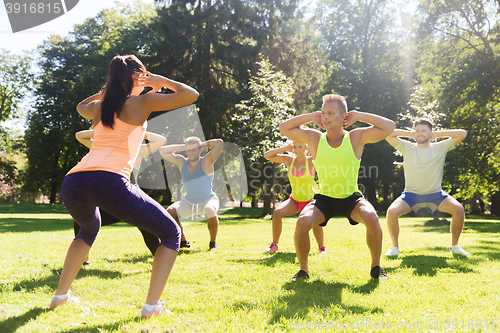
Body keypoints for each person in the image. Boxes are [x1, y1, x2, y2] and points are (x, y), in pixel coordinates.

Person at [50, 54, 199, 318]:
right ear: (136, 76)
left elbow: (79, 106)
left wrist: (106, 91)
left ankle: (60, 297)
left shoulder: (99, 106)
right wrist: (161, 81)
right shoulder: (143, 101)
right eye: (144, 73)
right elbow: (190, 94)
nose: (148, 77)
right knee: (171, 232)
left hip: (74, 181)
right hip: (108, 179)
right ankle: (152, 308)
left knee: (88, 229)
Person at [279, 94, 395, 281]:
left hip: (351, 198)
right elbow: (284, 127)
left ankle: (376, 267)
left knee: (372, 217)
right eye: (323, 113)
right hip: (324, 199)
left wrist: (358, 115)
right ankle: (303, 270)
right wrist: (311, 116)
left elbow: (389, 126)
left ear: (343, 117)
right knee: (301, 222)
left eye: (330, 113)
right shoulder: (314, 138)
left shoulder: (355, 138)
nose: (325, 117)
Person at [73, 129, 167, 264]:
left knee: (148, 230)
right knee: (80, 222)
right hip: (111, 202)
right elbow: (79, 135)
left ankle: (161, 261)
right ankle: (85, 259)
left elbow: (161, 140)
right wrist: (105, 130)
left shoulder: (137, 150)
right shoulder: (107, 150)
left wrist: (140, 131)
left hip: (131, 200)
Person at [384, 118, 469, 256]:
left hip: (436, 195)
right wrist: (412, 134)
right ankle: (395, 247)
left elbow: (462, 133)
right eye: (417, 130)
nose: (420, 133)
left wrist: (435, 134)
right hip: (410, 195)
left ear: (431, 133)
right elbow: (388, 133)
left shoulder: (440, 147)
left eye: (424, 131)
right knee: (392, 212)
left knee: (458, 209)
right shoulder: (407, 147)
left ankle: (455, 247)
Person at [160, 136, 223, 250]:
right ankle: (183, 242)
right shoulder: (182, 161)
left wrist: (200, 145)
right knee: (169, 212)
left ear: (200, 150)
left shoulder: (206, 161)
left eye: (194, 149)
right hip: (188, 202)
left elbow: (219, 143)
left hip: (208, 200)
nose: (191, 153)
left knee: (210, 210)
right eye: (189, 150)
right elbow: (163, 150)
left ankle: (213, 243)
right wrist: (185, 147)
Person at [263, 141, 326, 254]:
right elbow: (267, 155)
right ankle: (274, 245)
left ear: (306, 147)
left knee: (316, 221)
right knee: (277, 213)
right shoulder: (289, 160)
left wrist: (311, 148)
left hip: (310, 200)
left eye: (300, 147)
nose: (297, 150)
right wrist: (285, 148)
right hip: (295, 200)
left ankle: (321, 248)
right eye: (295, 147)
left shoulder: (311, 161)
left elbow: (325, 154)